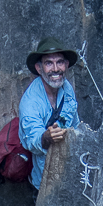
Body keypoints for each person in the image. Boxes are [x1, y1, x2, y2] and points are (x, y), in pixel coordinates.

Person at [19, 37, 80, 191]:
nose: (55, 69)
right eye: (48, 63)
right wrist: (47, 137)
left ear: (66, 65)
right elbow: (33, 140)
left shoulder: (66, 87)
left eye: (59, 62)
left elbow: (75, 123)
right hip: (45, 181)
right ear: (39, 68)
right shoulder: (30, 103)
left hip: (70, 170)